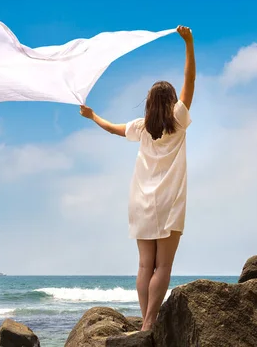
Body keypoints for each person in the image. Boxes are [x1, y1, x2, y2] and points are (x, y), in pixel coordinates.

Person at [79, 25, 195, 331]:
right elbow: (190, 81)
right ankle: (148, 324)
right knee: (164, 265)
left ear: (149, 104)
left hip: (142, 200)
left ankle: (147, 321)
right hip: (169, 200)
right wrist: (189, 43)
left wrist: (93, 117)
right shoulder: (179, 121)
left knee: (145, 265)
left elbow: (112, 128)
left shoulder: (141, 127)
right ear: (172, 103)